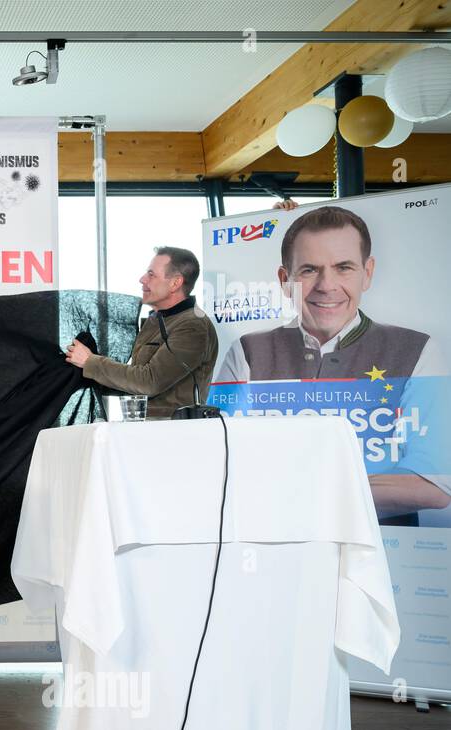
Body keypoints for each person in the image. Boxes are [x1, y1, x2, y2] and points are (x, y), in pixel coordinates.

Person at [215, 203, 449, 520]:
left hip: (385, 555)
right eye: (309, 269)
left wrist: (294, 485)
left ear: (367, 274)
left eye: (344, 267)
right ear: (286, 279)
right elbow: (220, 460)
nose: (327, 285)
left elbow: (434, 483)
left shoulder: (417, 349)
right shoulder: (248, 352)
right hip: (271, 549)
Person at [65, 246, 217, 419]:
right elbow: (134, 383)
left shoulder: (193, 326)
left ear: (175, 283)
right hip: (143, 432)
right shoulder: (157, 321)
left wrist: (90, 362)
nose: (142, 279)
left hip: (173, 436)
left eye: (151, 275)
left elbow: (149, 382)